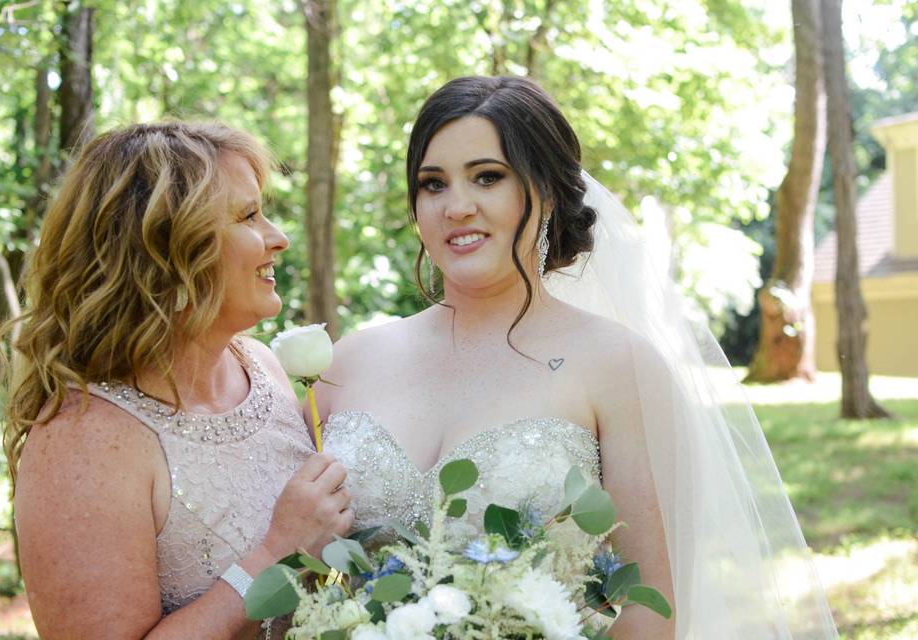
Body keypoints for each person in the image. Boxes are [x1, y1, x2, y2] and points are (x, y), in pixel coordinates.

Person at [317, 76, 838, 638]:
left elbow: (650, 605)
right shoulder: (347, 364)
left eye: (487, 177)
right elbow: (305, 577)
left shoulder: (618, 366)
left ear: (545, 191)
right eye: (433, 184)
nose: (456, 206)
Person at [2, 122, 353, 639]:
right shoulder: (83, 438)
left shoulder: (265, 368)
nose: (279, 238)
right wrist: (279, 553)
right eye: (249, 215)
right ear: (166, 251)